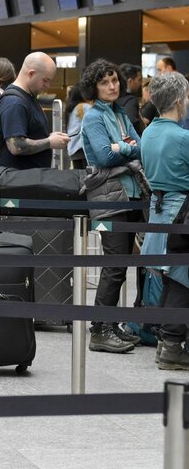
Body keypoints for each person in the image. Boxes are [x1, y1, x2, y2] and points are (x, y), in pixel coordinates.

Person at [80, 58, 144, 354]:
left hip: (128, 197)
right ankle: (99, 330)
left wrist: (124, 147)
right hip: (109, 198)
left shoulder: (119, 113)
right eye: (104, 82)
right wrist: (125, 148)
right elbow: (105, 156)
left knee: (121, 266)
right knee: (114, 265)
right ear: (94, 87)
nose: (112, 86)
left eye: (114, 80)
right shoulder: (93, 117)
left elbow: (140, 147)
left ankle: (109, 324)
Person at [139, 72, 189, 369]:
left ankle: (166, 342)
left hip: (159, 212)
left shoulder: (149, 132)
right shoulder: (182, 137)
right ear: (180, 100)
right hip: (181, 214)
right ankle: (172, 345)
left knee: (172, 280)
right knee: (182, 280)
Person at [0, 52, 68, 170]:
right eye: (45, 80)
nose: (47, 85)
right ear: (31, 73)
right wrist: (49, 142)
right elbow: (16, 146)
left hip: (28, 180)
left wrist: (48, 138)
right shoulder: (14, 102)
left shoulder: (27, 97)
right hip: (18, 182)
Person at [64, 84, 92, 169]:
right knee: (88, 177)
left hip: (73, 149)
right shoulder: (84, 106)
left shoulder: (69, 110)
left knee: (78, 177)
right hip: (83, 148)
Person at [117, 63, 143, 134]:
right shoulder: (131, 101)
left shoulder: (113, 99)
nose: (141, 83)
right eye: (139, 80)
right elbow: (131, 124)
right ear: (130, 81)